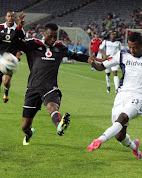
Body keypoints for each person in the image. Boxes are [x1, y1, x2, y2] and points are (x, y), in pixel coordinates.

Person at [87, 32, 142, 159]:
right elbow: (101, 66)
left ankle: (99, 140)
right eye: (130, 47)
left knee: (123, 118)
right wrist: (92, 62)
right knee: (119, 136)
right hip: (122, 95)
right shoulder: (122, 54)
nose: (132, 50)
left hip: (139, 96)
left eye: (135, 47)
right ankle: (135, 147)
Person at [16, 13, 91, 145]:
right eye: (50, 36)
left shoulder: (60, 48)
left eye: (55, 37)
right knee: (25, 126)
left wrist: (89, 59)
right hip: (33, 88)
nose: (53, 39)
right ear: (44, 34)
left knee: (52, 106)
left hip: (50, 87)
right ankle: (29, 133)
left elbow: (75, 55)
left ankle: (59, 125)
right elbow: (17, 43)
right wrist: (19, 28)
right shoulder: (32, 44)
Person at [0, 11, 25, 103]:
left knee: (6, 81)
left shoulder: (19, 30)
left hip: (9, 60)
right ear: (5, 17)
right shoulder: (0, 27)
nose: (10, 18)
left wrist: (18, 55)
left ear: (15, 18)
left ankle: (6, 90)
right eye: (9, 16)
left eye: (12, 16)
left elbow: (24, 45)